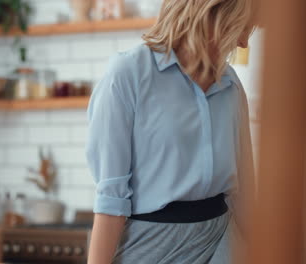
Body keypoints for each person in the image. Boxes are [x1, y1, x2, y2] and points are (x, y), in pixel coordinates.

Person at [85, 0, 255, 263]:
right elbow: (111, 200)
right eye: (241, 29)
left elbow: (245, 194)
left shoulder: (231, 85)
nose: (243, 43)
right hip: (151, 246)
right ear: (212, 14)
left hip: (221, 240)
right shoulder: (128, 76)